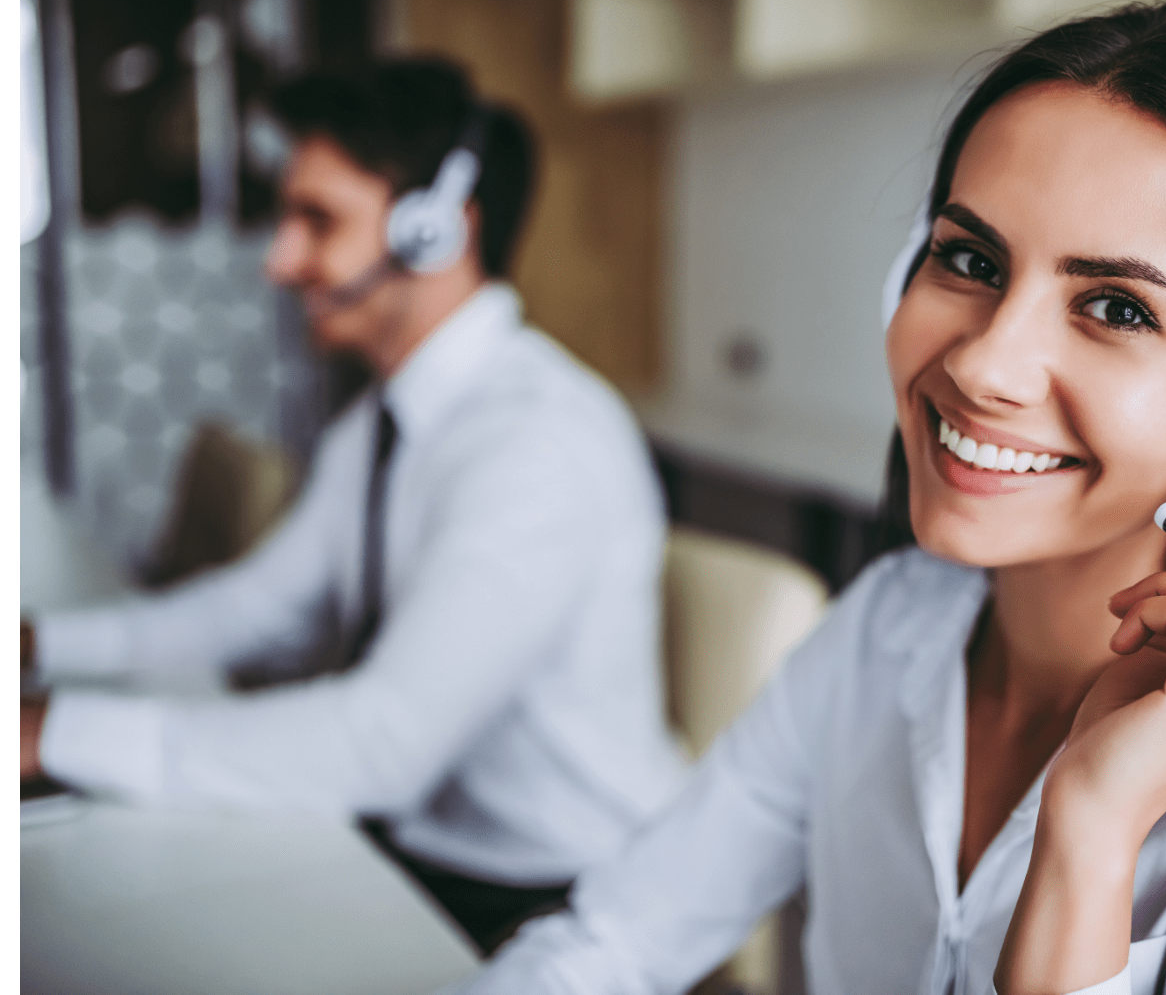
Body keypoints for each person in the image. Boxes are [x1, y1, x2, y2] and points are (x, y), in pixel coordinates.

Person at [449, 4, 1166, 994]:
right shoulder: (885, 628)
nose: (986, 360)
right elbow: (612, 941)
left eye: (1115, 306)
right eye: (968, 258)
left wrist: (1089, 828)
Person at [19, 60, 689, 954]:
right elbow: (257, 608)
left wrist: (54, 735)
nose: (279, 259)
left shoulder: (535, 444)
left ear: (436, 232)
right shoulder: (382, 420)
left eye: (317, 220)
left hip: (553, 896)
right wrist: (41, 648)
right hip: (423, 851)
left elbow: (381, 744)